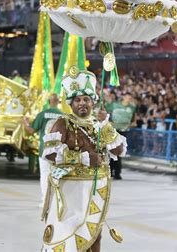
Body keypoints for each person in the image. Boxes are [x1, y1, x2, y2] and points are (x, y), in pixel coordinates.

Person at [40, 68, 127, 252]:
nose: (82, 104)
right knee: (68, 233)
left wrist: (106, 125)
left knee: (95, 234)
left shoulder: (99, 124)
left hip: (96, 190)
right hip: (70, 191)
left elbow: (119, 150)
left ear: (93, 102)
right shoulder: (62, 123)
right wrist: (83, 158)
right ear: (71, 104)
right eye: (77, 100)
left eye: (86, 99)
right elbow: (49, 154)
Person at [24, 93, 62, 207]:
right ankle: (57, 201)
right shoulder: (63, 116)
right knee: (57, 176)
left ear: (49, 102)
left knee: (45, 175)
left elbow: (31, 131)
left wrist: (25, 122)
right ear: (58, 102)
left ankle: (45, 201)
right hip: (58, 152)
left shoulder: (43, 114)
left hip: (44, 150)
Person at [107, 92, 136, 180]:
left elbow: (134, 120)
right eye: (127, 97)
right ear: (123, 97)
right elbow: (107, 113)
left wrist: (131, 124)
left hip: (124, 131)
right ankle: (111, 171)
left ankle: (117, 173)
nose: (128, 99)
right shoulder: (115, 105)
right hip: (114, 130)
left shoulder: (132, 107)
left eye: (130, 97)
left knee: (119, 152)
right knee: (112, 150)